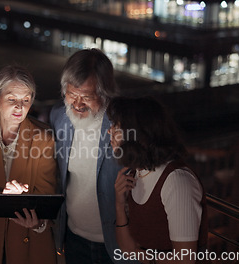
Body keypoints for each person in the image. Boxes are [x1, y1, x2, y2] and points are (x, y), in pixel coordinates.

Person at [0, 65, 57, 264]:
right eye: (12, 99)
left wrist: (37, 222)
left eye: (26, 100)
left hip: (28, 243)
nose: (20, 108)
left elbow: (46, 194)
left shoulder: (44, 138)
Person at [49, 48, 134, 263]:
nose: (77, 104)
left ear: (105, 93)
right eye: (71, 94)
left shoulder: (124, 123)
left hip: (116, 243)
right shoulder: (59, 117)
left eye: (87, 97)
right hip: (72, 237)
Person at [108, 96, 208, 264]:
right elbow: (127, 249)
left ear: (140, 137)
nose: (110, 131)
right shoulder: (136, 173)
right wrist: (119, 203)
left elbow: (184, 259)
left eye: (117, 127)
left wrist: (146, 258)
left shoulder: (177, 181)